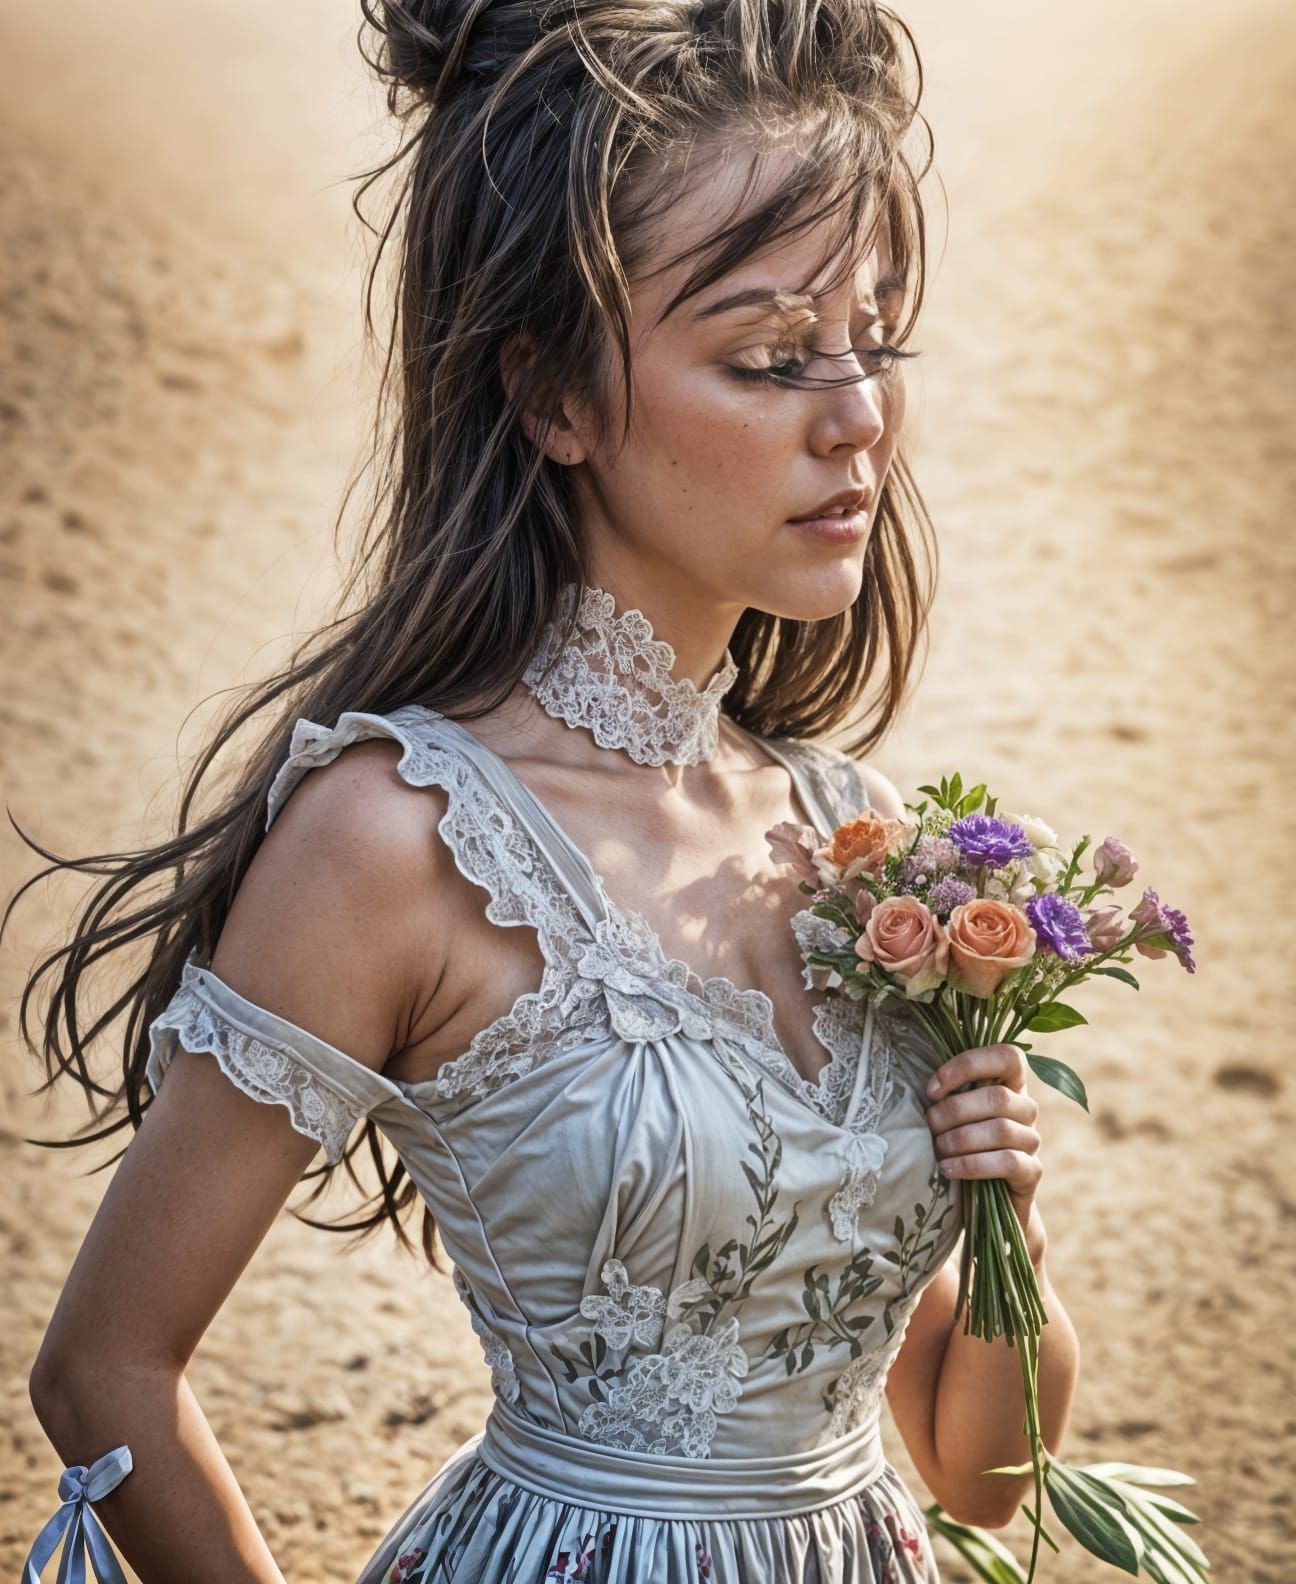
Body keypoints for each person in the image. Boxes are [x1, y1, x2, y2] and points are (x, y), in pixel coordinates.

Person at [11, 0, 1079, 1579]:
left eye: (876, 335)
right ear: (552, 397)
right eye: (773, 355)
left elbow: (981, 1476)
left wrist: (1007, 1220)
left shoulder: (858, 842)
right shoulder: (399, 839)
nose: (858, 414)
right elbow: (104, 1368)